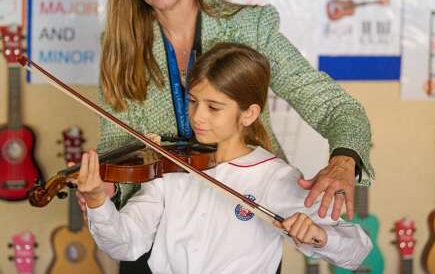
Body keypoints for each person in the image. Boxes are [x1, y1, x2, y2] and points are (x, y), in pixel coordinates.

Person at [93, 0, 374, 271]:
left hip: (243, 235)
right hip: (154, 239)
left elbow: (334, 107)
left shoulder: (248, 28)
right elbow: (115, 146)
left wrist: (344, 160)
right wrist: (104, 195)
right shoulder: (121, 47)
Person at [75, 43, 372, 273]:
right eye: (192, 101)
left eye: (214, 107)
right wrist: (98, 203)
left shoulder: (274, 177)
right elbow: (126, 245)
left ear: (249, 114)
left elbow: (357, 251)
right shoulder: (170, 167)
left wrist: (320, 236)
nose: (197, 116)